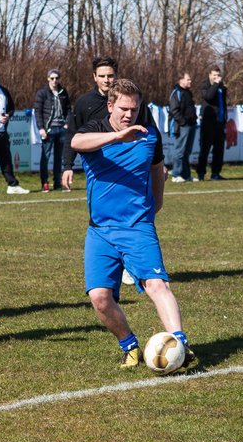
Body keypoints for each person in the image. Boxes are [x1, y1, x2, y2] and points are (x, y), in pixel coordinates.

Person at [71, 78, 192, 369]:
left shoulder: (149, 135)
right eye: (123, 109)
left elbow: (157, 169)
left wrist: (157, 204)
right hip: (100, 230)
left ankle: (181, 344)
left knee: (157, 285)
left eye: (134, 110)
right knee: (100, 298)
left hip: (137, 226)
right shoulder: (95, 130)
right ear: (110, 105)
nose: (129, 115)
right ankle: (130, 345)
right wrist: (117, 137)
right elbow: (76, 142)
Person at [60, 56, 121, 192]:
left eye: (110, 76)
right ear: (95, 77)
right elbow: (72, 134)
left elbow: (148, 129)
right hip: (96, 168)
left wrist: (158, 161)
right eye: (102, 76)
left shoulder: (127, 100)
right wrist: (67, 166)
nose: (106, 80)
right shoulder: (84, 102)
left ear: (116, 76)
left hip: (124, 163)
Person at [33, 68, 70, 191]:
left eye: (57, 78)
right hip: (49, 130)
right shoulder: (42, 93)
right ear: (48, 79)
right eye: (52, 78)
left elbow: (69, 109)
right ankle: (44, 183)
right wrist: (41, 128)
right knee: (45, 157)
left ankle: (57, 183)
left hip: (61, 129)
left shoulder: (63, 92)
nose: (55, 80)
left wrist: (67, 123)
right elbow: (37, 112)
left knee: (59, 157)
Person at [196, 65, 228, 181]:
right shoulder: (206, 85)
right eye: (214, 75)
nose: (216, 77)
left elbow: (223, 103)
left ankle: (215, 173)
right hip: (208, 123)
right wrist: (215, 84)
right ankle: (201, 173)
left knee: (219, 150)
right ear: (210, 75)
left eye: (218, 75)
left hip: (219, 123)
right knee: (205, 149)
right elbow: (208, 97)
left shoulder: (222, 87)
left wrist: (225, 118)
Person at [166, 71, 196, 182]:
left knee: (187, 152)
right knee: (179, 151)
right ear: (181, 80)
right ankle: (176, 174)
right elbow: (174, 110)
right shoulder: (176, 93)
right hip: (182, 126)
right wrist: (183, 122)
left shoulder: (188, 92)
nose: (190, 81)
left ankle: (186, 175)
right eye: (188, 79)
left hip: (191, 125)